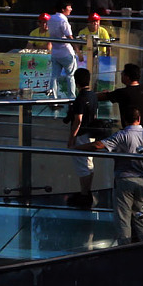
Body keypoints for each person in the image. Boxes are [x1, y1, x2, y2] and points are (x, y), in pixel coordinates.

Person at [93, 107, 143, 242]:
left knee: (123, 218)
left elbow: (98, 145)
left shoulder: (122, 135)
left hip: (124, 179)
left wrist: (76, 147)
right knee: (140, 216)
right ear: (139, 119)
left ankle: (124, 248)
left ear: (124, 120)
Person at [65, 68, 102, 201]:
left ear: (77, 82)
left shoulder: (80, 98)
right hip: (92, 132)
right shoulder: (93, 95)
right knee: (89, 164)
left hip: (81, 135)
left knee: (82, 166)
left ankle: (84, 194)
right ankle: (87, 192)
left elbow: (78, 120)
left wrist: (72, 138)